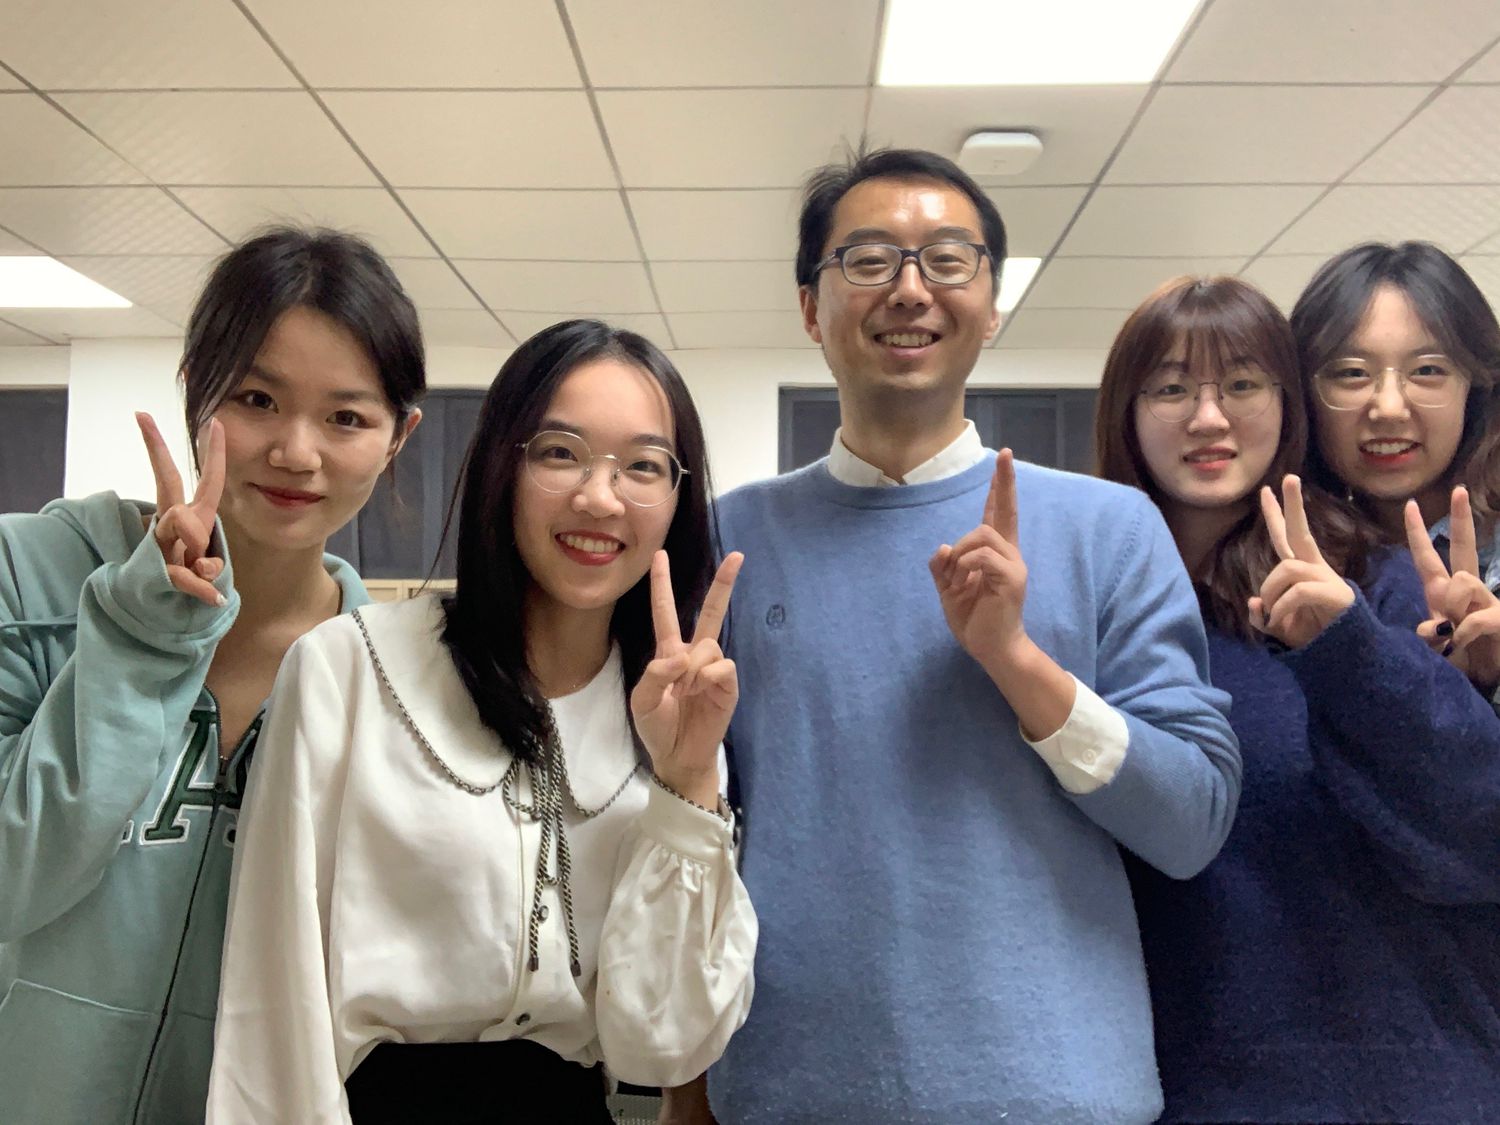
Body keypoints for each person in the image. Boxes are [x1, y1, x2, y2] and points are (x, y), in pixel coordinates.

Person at [666, 148, 1240, 1125]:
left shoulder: (1109, 529)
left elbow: (1190, 826)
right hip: (793, 1091)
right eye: (868, 259)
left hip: (1060, 1094)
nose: (909, 288)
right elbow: (697, 845)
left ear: (993, 301)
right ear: (809, 307)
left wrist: (1017, 661)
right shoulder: (729, 541)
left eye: (947, 259)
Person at [207, 319, 757, 1124]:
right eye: (560, 452)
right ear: (504, 463)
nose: (599, 497)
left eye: (643, 465)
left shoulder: (676, 715)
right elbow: (272, 997)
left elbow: (662, 1044)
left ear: (677, 498)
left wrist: (686, 782)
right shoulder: (351, 666)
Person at [0, 226, 425, 1123]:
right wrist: (141, 633)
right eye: (257, 398)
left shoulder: (391, 683)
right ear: (196, 388)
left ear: (399, 437)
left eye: (346, 417)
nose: (297, 452)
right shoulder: (29, 575)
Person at [1097, 274, 1500, 1122]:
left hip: (1399, 1088)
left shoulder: (1383, 587)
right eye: (1170, 388)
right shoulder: (1093, 617)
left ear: (1288, 409)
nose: (1209, 419)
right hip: (1172, 1088)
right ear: (1125, 414)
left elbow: (1475, 840)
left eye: (1244, 384)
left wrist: (1345, 647)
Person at [1291, 241, 1500, 696]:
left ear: (1477, 387)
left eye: (1427, 370)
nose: (1388, 408)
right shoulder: (1280, 554)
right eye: (1351, 373)